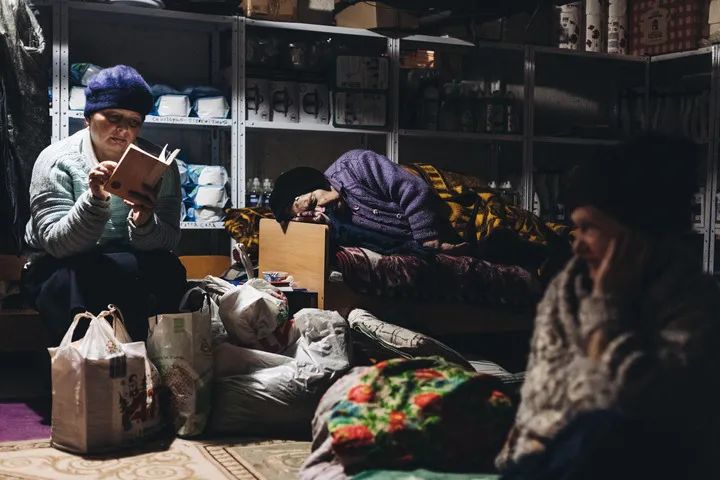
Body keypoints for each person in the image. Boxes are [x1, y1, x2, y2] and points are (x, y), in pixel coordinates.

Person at [495, 133, 720, 479]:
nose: (577, 245)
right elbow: (541, 401)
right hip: (565, 457)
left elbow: (627, 403)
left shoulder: (692, 301)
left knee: (601, 430)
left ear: (635, 235)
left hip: (650, 461)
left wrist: (607, 306)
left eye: (589, 228)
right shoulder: (568, 290)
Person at [22, 65, 186, 343]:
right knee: (77, 279)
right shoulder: (56, 160)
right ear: (88, 118)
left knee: (168, 269)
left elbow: (169, 239)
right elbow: (56, 244)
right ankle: (92, 362)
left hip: (124, 260)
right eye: (113, 117)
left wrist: (144, 221)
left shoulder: (158, 165)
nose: (123, 130)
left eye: (134, 122)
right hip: (60, 264)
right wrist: (95, 199)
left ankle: (150, 359)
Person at [269, 149, 467, 254]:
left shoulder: (356, 165)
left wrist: (427, 241)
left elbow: (414, 190)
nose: (320, 210)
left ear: (317, 182)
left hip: (452, 212)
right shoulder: (332, 219)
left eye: (313, 203)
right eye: (311, 212)